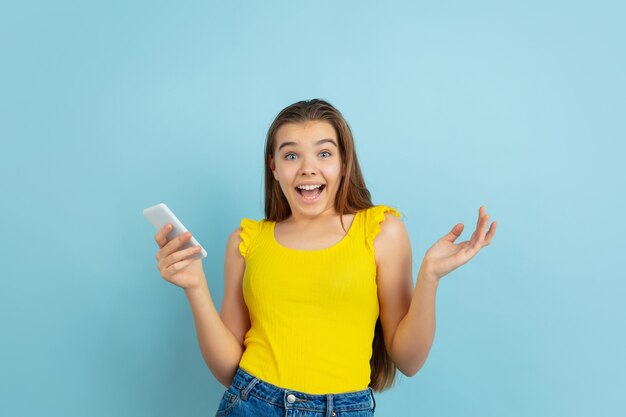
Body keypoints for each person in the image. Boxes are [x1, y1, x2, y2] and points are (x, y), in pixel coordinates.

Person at [153, 99, 497, 416]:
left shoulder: (379, 231)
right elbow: (228, 369)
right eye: (291, 156)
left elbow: (408, 360)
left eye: (324, 154)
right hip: (252, 402)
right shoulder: (246, 242)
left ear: (344, 163)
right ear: (273, 167)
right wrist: (195, 287)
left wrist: (430, 277)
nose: (307, 169)